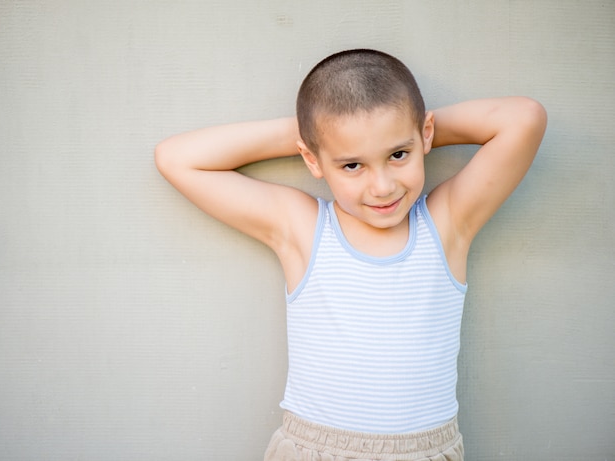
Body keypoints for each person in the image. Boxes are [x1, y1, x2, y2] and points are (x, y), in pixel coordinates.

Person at [155, 49, 547, 461]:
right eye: (352, 164)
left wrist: (406, 124)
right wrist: (318, 131)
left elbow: (524, 118)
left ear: (425, 135)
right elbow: (177, 159)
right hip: (318, 450)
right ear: (311, 158)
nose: (382, 186)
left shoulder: (447, 223)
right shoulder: (303, 228)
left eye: (398, 154)